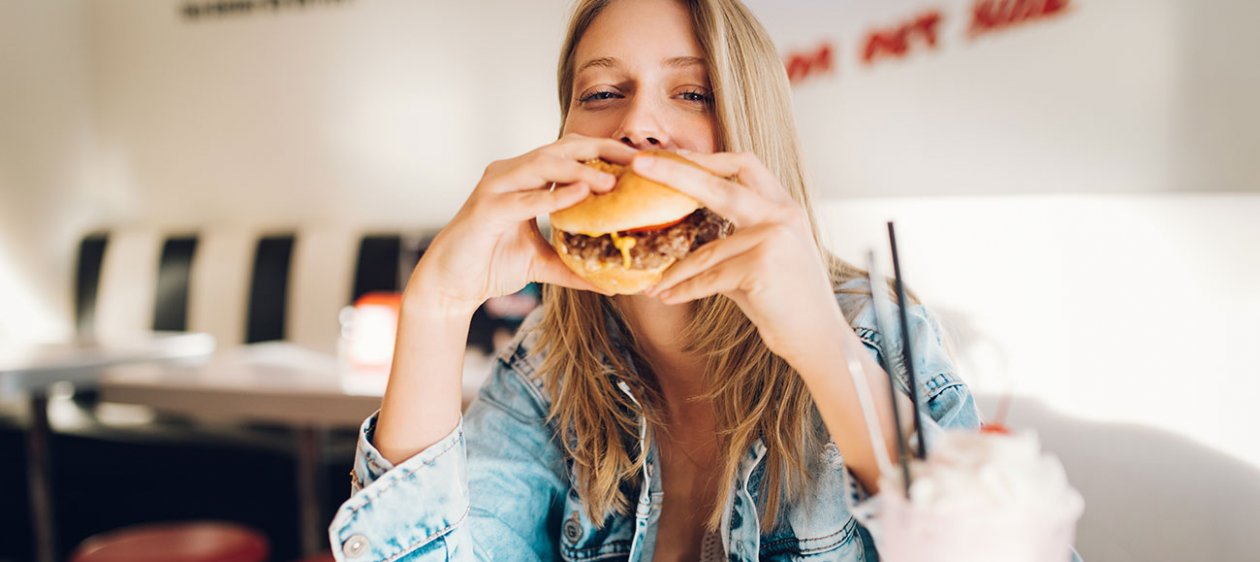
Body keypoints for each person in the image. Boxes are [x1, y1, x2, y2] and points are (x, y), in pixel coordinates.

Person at [329, 0, 981, 560]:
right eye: (603, 94)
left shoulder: (873, 332)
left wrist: (822, 347)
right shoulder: (544, 370)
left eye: (694, 93)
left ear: (749, 131)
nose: (637, 124)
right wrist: (437, 309)